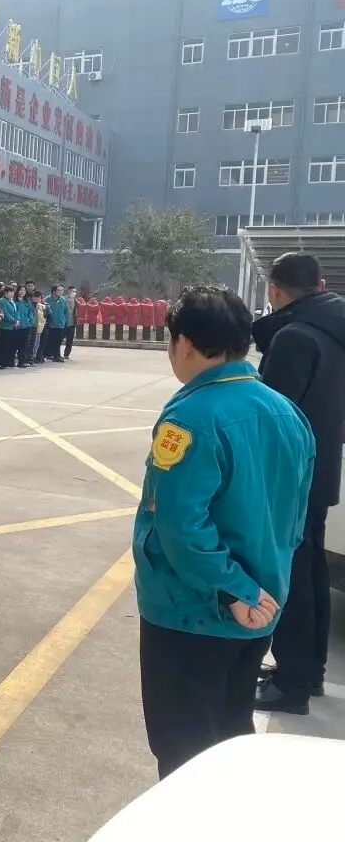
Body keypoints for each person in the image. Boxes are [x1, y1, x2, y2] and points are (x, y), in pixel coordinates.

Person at [135, 285, 314, 779]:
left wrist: (233, 588)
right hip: (262, 607)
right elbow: (295, 515)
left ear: (184, 342)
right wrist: (260, 589)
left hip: (195, 612)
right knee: (232, 734)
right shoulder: (286, 411)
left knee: (183, 749)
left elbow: (180, 525)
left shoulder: (190, 417)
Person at [251, 253, 345, 715]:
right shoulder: (335, 330)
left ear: (274, 289)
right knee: (312, 572)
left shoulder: (293, 337)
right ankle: (309, 673)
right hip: (322, 469)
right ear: (321, 285)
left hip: (292, 476)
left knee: (290, 575)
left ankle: (291, 685)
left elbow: (273, 418)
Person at [44, 284, 69, 362]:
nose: (61, 292)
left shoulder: (63, 300)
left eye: (62, 290)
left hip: (60, 324)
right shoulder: (47, 299)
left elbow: (66, 311)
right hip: (50, 324)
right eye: (59, 290)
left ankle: (57, 355)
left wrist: (65, 321)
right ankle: (49, 354)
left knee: (59, 340)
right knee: (50, 340)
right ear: (54, 291)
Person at [63, 284, 79, 359]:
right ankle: (55, 353)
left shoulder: (76, 301)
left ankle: (66, 354)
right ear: (68, 291)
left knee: (69, 340)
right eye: (73, 291)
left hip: (72, 324)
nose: (74, 293)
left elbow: (76, 312)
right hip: (64, 323)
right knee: (59, 339)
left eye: (75, 291)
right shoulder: (63, 299)